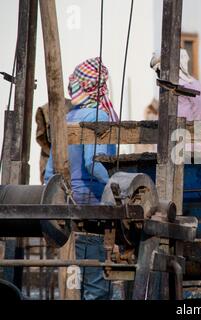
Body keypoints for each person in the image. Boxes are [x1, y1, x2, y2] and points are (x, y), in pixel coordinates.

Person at [44, 57, 117, 300]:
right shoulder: (99, 115)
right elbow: (93, 163)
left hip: (67, 211)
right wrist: (117, 188)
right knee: (96, 287)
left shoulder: (64, 119)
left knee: (73, 283)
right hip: (94, 209)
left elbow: (50, 172)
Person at [150, 49, 201, 122]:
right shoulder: (168, 85)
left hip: (189, 130)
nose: (158, 74)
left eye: (159, 71)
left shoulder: (188, 86)